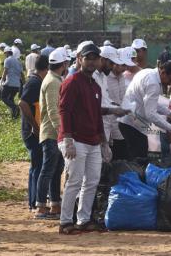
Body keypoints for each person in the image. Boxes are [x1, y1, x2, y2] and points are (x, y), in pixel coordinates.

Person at [58, 43, 105, 234]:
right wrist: (68, 139)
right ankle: (65, 222)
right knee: (75, 181)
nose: (92, 61)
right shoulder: (72, 81)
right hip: (75, 139)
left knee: (92, 180)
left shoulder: (95, 84)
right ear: (79, 59)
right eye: (88, 58)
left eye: (95, 58)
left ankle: (83, 219)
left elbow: (97, 114)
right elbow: (64, 110)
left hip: (92, 140)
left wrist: (103, 141)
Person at [119, 61, 171, 160]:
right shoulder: (153, 84)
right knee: (138, 160)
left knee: (136, 158)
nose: (170, 83)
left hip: (130, 121)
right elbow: (151, 114)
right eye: (170, 79)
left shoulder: (148, 72)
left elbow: (151, 103)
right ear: (163, 73)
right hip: (133, 125)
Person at [35, 49, 67, 219]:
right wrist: (62, 131)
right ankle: (41, 206)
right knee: (48, 170)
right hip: (52, 133)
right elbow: (54, 110)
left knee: (55, 170)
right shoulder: (53, 82)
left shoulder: (54, 79)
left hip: (53, 132)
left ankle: (55, 204)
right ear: (63, 64)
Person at [19, 55, 49, 212]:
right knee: (37, 167)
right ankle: (34, 201)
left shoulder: (36, 81)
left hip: (33, 130)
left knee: (36, 166)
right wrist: (35, 126)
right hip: (32, 132)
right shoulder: (34, 83)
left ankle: (33, 200)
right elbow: (22, 103)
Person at [107, 50, 129, 160]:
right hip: (107, 122)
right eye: (122, 65)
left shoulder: (122, 77)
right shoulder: (105, 77)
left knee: (120, 154)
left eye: (126, 65)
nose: (124, 68)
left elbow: (123, 97)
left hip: (120, 121)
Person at [1, 46, 22, 119]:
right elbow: (21, 73)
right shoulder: (18, 61)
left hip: (9, 83)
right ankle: (14, 116)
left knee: (3, 97)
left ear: (7, 53)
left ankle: (15, 107)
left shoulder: (7, 60)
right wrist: (23, 82)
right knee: (11, 99)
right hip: (17, 85)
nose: (5, 55)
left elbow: (5, 71)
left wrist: (1, 81)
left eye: (5, 53)